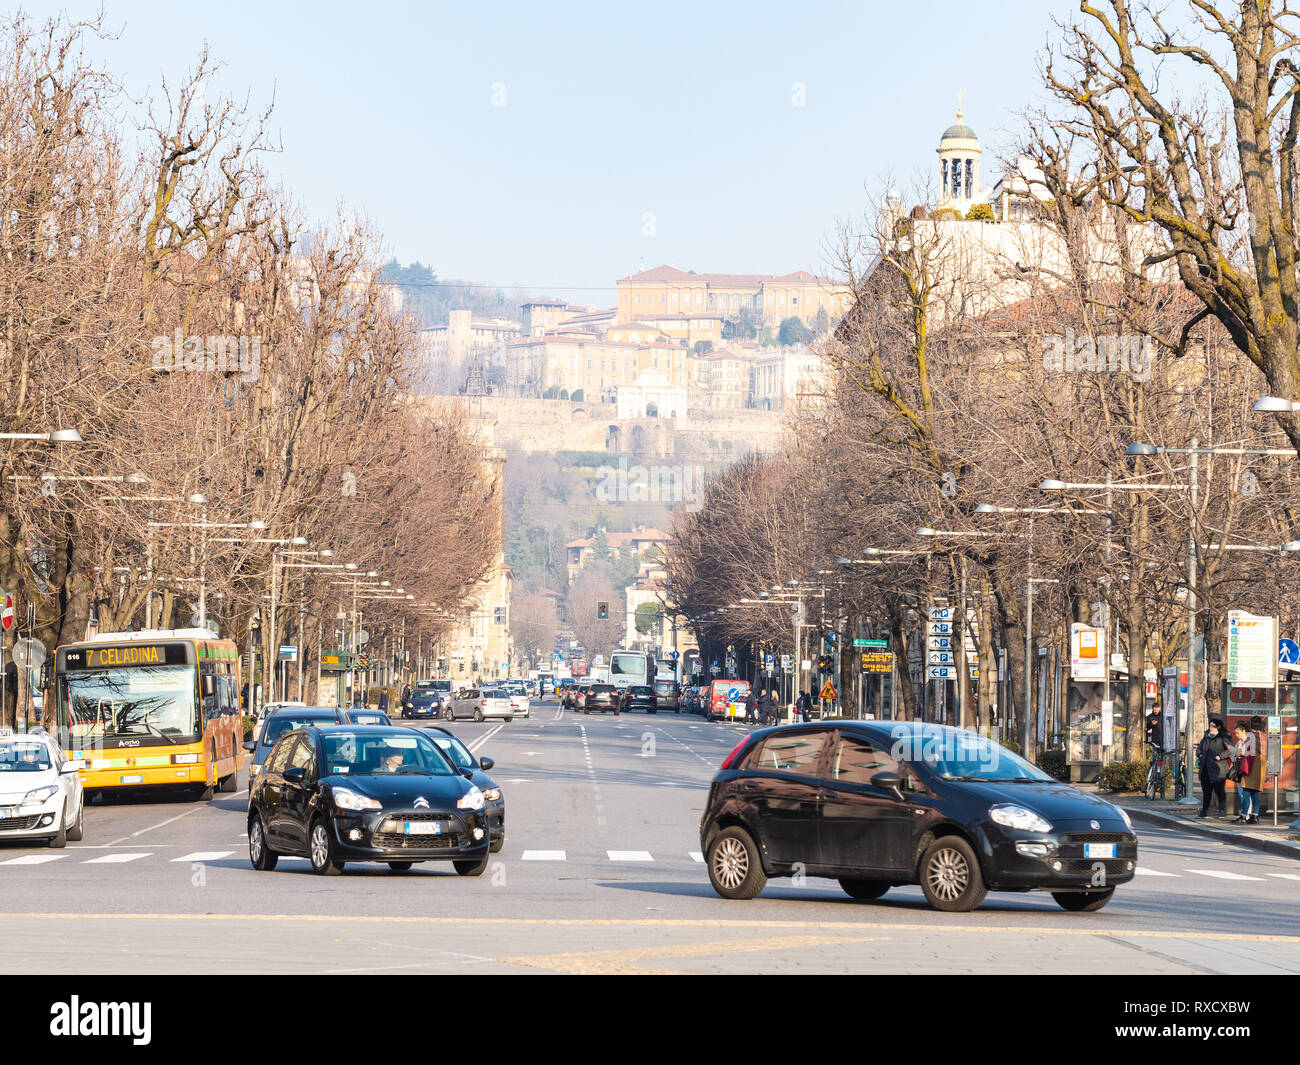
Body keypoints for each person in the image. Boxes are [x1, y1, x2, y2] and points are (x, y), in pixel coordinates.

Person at [1195, 717, 1230, 818]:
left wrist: (1220, 756)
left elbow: (1230, 750)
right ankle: (1204, 811)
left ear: (1218, 727)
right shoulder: (1206, 737)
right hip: (1205, 768)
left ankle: (1222, 810)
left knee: (1219, 792)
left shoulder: (1223, 737)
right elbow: (1199, 748)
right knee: (1206, 791)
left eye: (1213, 726)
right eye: (1210, 726)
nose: (1211, 728)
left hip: (1218, 769)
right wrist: (1200, 754)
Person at [1231, 720, 1264, 824]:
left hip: (1249, 768)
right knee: (1254, 793)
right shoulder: (1255, 738)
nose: (1237, 735)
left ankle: (1244, 816)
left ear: (1244, 731)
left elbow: (1246, 753)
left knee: (1246, 792)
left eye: (1238, 733)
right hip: (1255, 768)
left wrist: (1239, 750)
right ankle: (1254, 815)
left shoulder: (1249, 739)